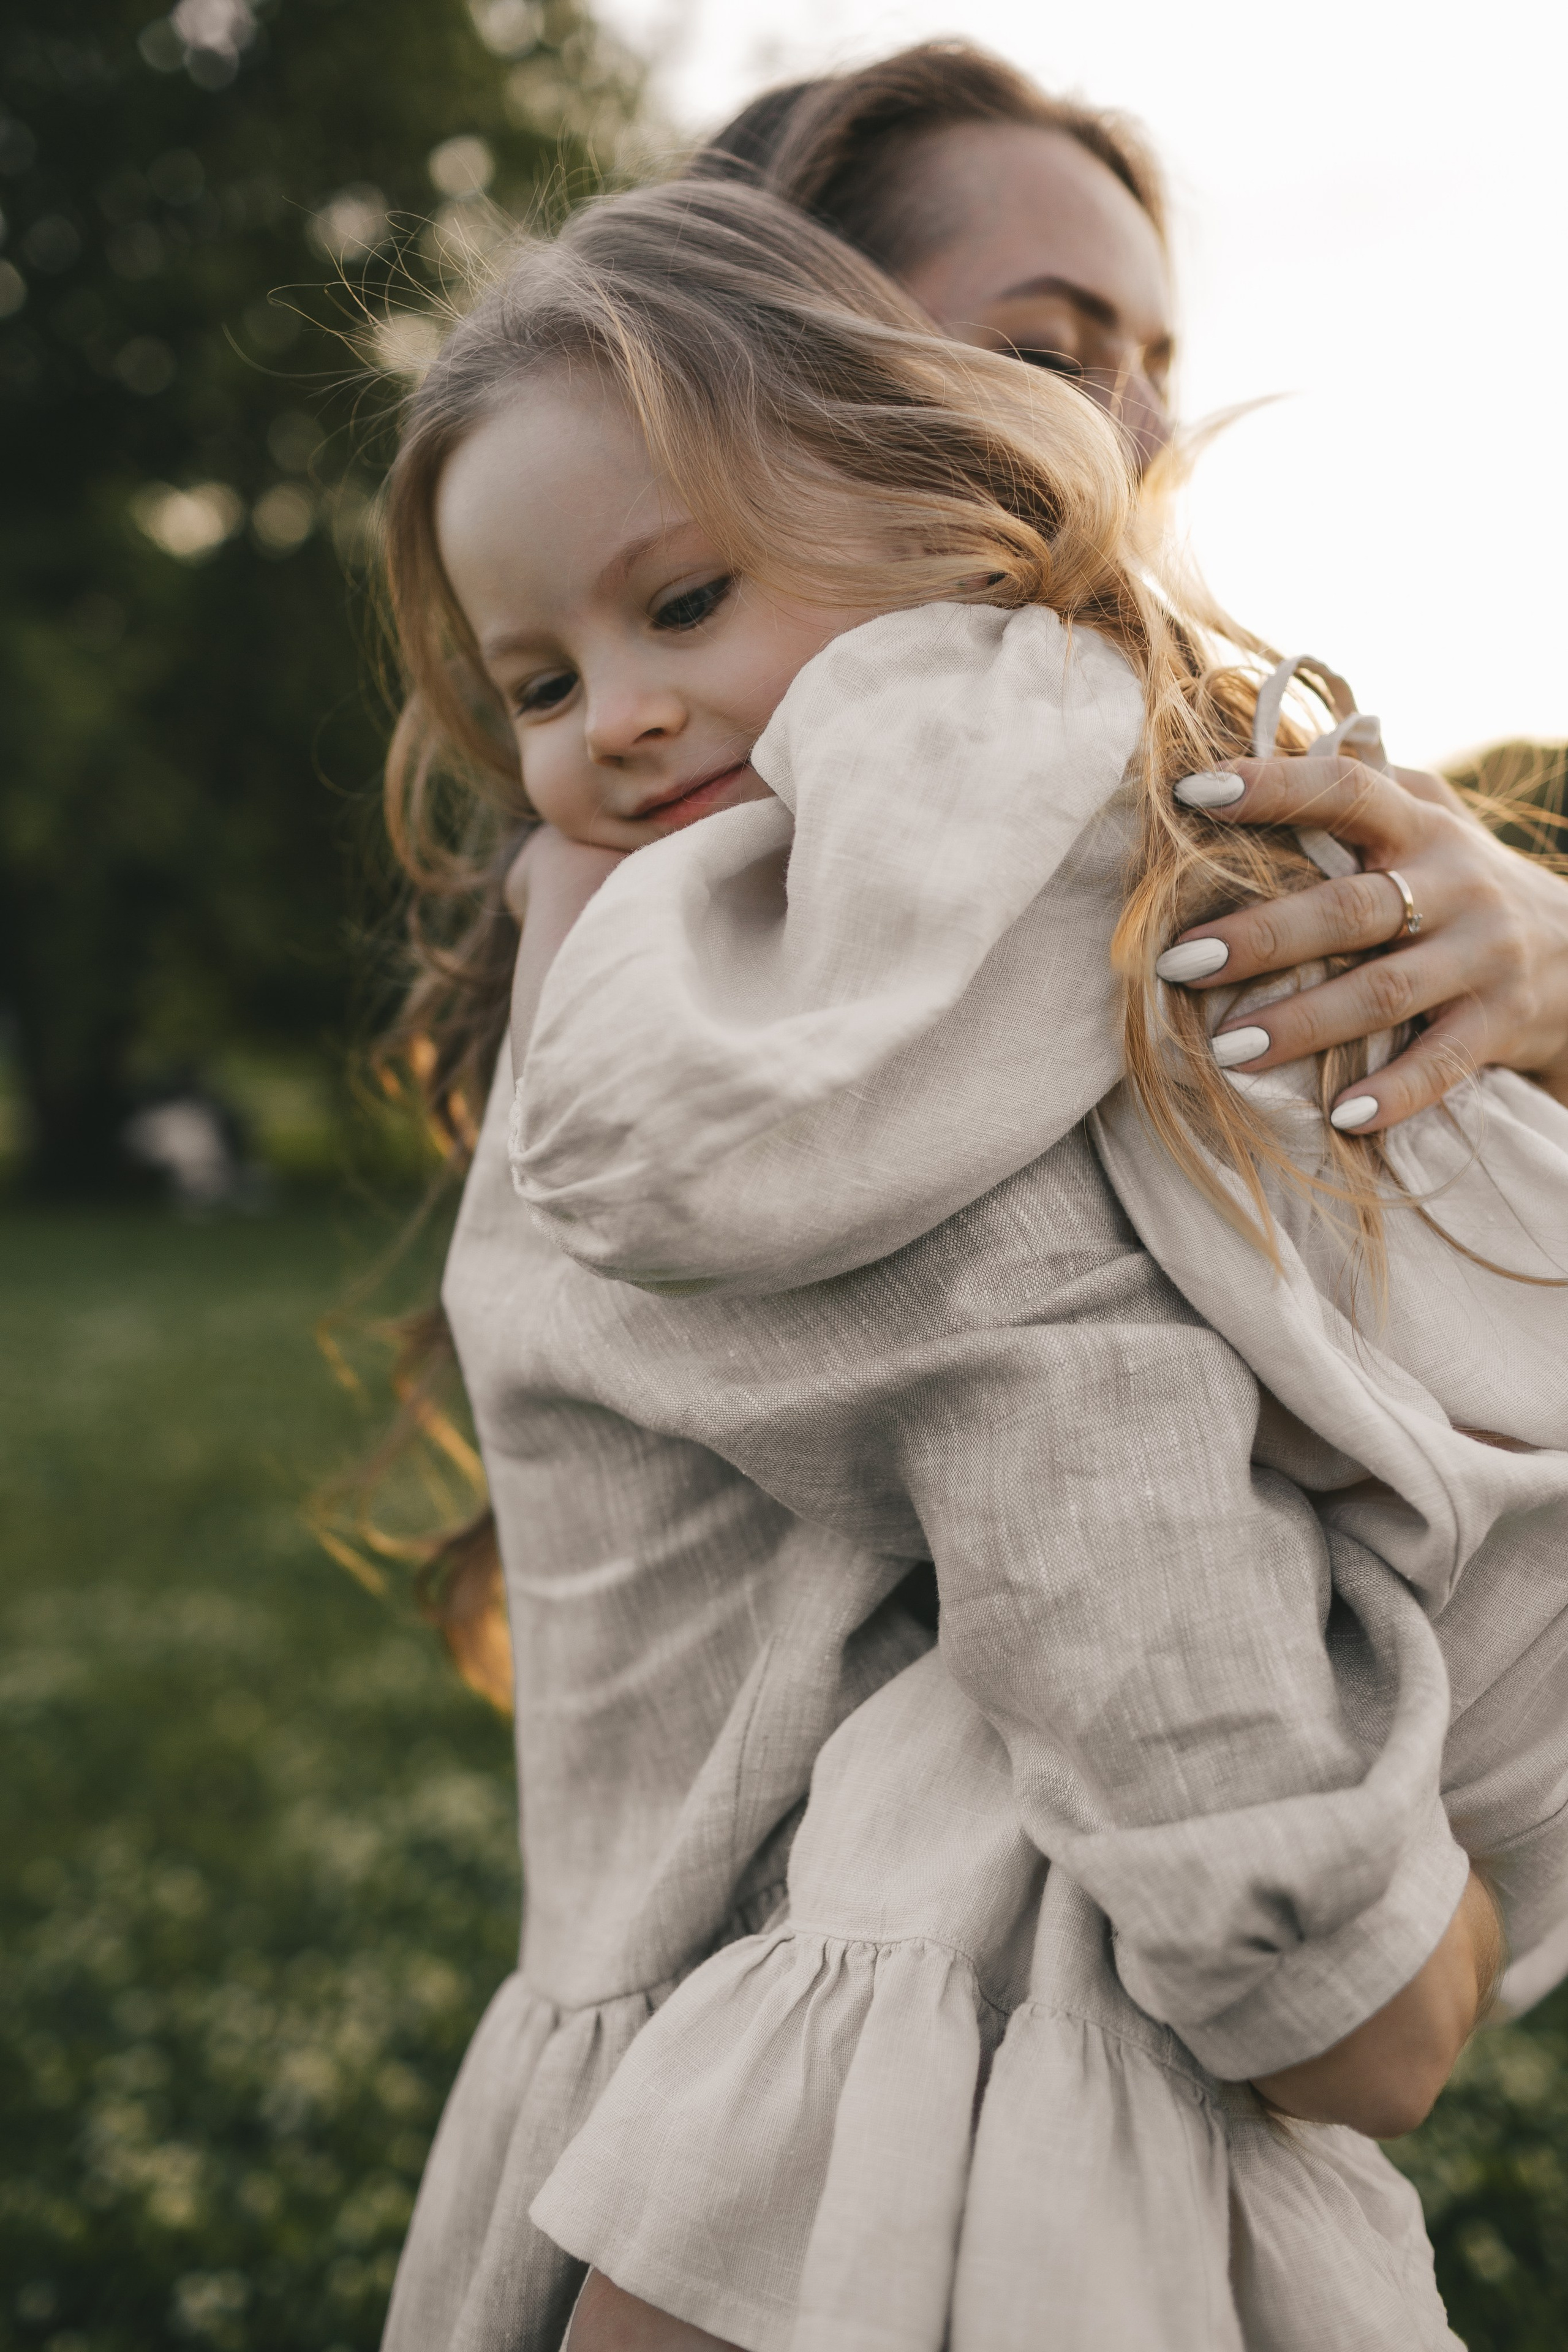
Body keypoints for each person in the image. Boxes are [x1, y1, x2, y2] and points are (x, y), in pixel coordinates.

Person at [376, 175, 1566, 2352]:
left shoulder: (884, 924)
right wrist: (1327, 1948)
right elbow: (1057, 1409)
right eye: (544, 676)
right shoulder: (784, 1003)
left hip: (851, 2049)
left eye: (681, 613)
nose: (618, 718)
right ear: (914, 428)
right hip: (871, 2103)